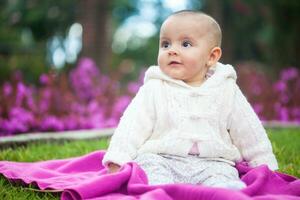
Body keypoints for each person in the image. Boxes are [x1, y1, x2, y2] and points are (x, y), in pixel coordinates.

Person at [102, 10, 278, 189]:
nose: (172, 51)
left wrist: (264, 163)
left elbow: (248, 128)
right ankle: (160, 191)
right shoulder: (154, 88)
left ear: (211, 57)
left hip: (213, 162)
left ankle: (223, 190)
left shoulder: (226, 89)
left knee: (223, 180)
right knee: (149, 167)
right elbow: (132, 125)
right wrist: (118, 158)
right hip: (162, 158)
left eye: (185, 44)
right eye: (165, 44)